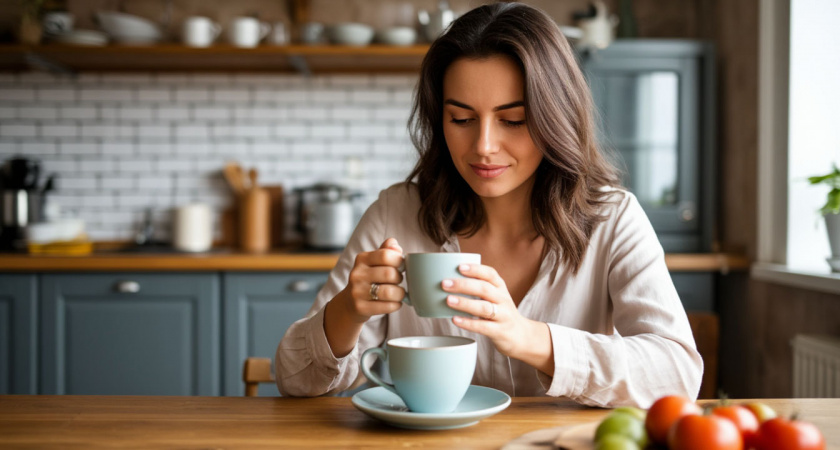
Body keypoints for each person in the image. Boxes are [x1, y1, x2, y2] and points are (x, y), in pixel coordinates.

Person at [275, 2, 702, 408]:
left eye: (513, 120)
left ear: (556, 116)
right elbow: (294, 379)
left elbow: (678, 373)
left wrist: (529, 337)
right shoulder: (396, 213)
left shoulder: (614, 219)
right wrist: (347, 311)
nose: (483, 147)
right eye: (461, 119)